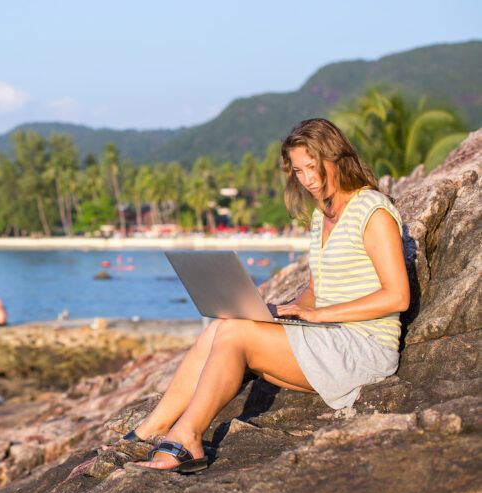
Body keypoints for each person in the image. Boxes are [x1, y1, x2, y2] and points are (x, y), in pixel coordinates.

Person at [127, 118, 409, 474]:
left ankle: (188, 438)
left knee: (235, 334)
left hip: (363, 348)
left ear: (336, 158)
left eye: (313, 166)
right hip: (329, 338)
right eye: (298, 171)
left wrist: (320, 315)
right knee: (223, 325)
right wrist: (282, 311)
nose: (308, 179)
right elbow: (319, 289)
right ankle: (151, 428)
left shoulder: (373, 211)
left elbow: (397, 296)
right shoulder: (323, 215)